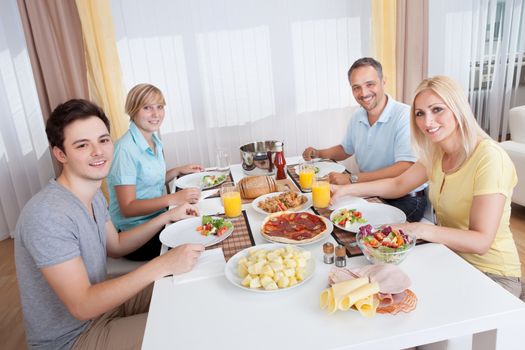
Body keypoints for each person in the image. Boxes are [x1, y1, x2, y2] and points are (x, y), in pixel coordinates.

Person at [14, 99, 205, 349]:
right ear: (61, 154)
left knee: (191, 290)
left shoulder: (92, 194)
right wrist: (162, 264)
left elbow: (115, 245)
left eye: (103, 140)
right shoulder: (47, 215)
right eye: (83, 145)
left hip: (103, 307)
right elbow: (83, 305)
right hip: (72, 338)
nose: (98, 151)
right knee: (185, 327)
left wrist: (167, 216)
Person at [331, 76, 522, 297]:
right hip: (450, 258)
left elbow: (481, 241)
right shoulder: (437, 153)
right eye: (420, 113)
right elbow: (398, 184)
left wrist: (419, 229)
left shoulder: (489, 157)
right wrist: (346, 190)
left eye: (437, 109)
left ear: (457, 109)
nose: (427, 122)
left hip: (493, 275)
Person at [302, 57, 426, 222]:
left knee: (360, 230)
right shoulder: (358, 116)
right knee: (325, 215)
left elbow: (405, 167)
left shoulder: (404, 116)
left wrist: (352, 179)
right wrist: (318, 152)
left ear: (383, 81)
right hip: (369, 191)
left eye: (370, 84)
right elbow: (346, 149)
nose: (364, 93)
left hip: (406, 198)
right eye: (356, 87)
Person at [108, 83, 203, 261]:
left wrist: (177, 171)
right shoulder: (125, 150)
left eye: (160, 107)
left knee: (205, 219)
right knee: (200, 239)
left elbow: (148, 183)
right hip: (137, 236)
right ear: (133, 110)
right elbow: (128, 207)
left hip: (159, 219)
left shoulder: (153, 140)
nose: (156, 114)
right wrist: (173, 199)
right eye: (147, 108)